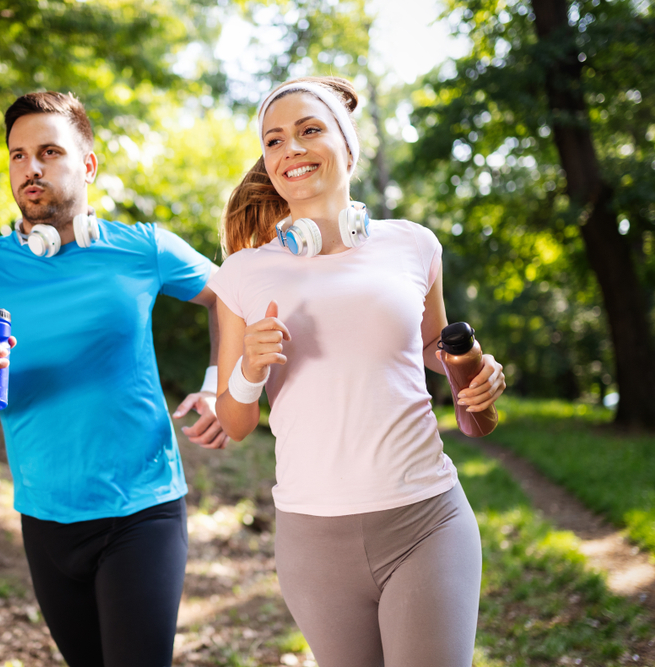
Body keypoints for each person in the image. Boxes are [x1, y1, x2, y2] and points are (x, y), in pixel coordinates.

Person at [208, 76, 507, 667]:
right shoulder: (242, 273)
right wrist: (248, 368)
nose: (290, 148)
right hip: (312, 541)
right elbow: (234, 421)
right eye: (274, 140)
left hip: (426, 517)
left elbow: (430, 345)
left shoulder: (414, 244)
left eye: (309, 130)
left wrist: (474, 370)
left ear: (348, 147)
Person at [0, 91, 226, 667]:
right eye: (17, 155)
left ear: (87, 165)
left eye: (48, 151)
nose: (29, 168)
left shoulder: (143, 249)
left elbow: (231, 297)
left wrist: (217, 384)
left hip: (143, 509)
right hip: (44, 518)